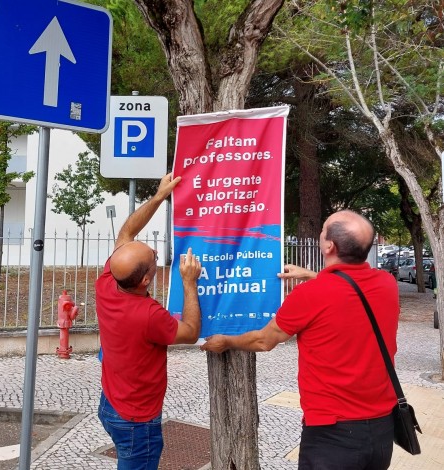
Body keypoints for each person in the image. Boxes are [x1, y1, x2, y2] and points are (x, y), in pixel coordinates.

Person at [201, 210, 399, 469]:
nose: (320, 232)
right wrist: (313, 275)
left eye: (324, 228)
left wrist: (227, 341)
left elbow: (264, 340)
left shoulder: (310, 295)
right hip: (383, 430)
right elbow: (347, 293)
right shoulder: (387, 284)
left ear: (329, 245)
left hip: (332, 435)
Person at [96, 172, 202, 470]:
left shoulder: (108, 280)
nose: (155, 251)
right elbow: (191, 332)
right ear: (145, 280)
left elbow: (126, 231)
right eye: (153, 258)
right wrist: (189, 283)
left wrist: (158, 196)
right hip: (135, 421)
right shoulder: (148, 315)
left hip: (111, 404)